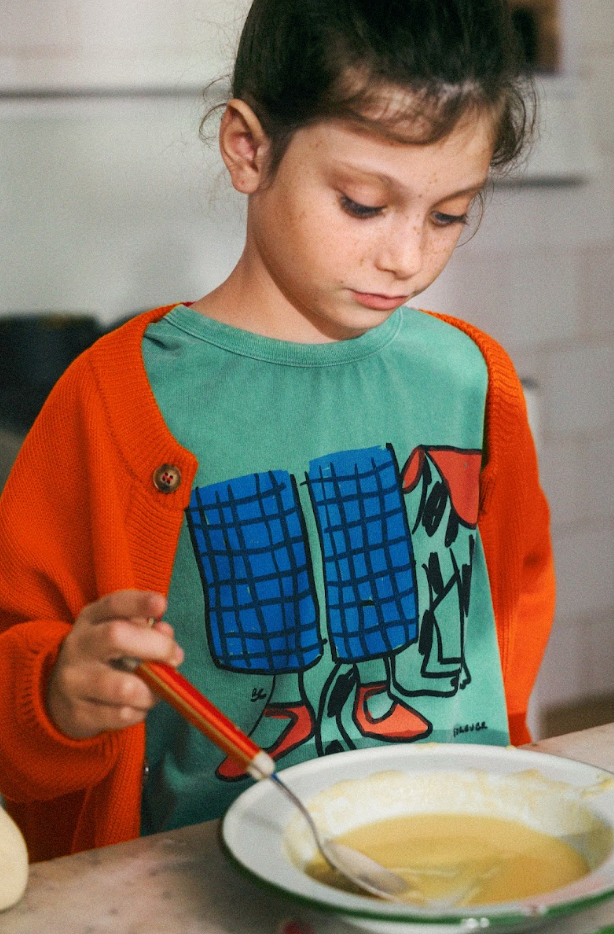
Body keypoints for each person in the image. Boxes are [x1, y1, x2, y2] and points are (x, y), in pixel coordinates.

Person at [0, 0, 555, 863]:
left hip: (451, 857)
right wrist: (55, 695)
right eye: (365, 204)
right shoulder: (116, 397)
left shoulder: (473, 380)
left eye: (448, 214)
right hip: (201, 881)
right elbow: (19, 664)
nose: (408, 256)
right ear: (249, 148)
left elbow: (509, 615)